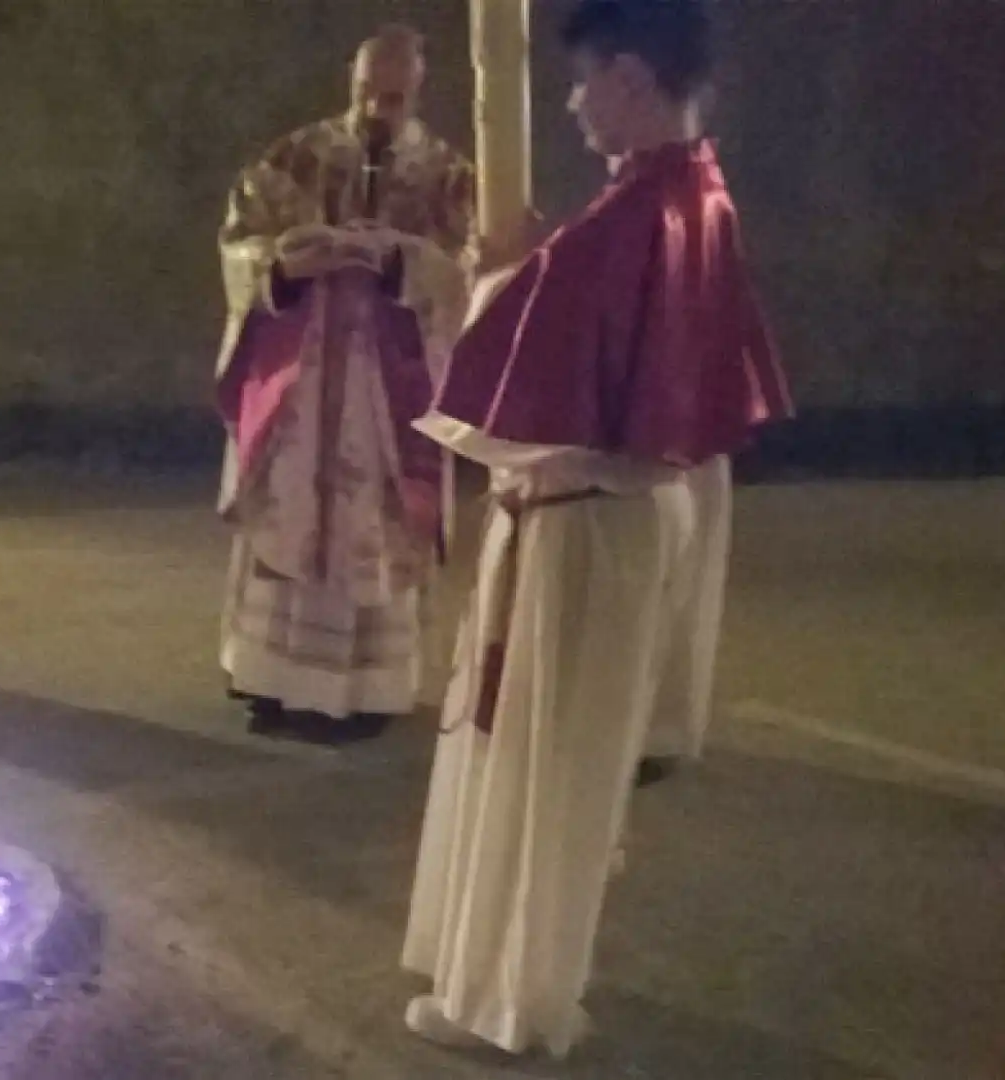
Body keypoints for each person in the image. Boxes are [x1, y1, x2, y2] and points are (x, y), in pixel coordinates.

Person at [400, 0, 791, 1056]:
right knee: (558, 769)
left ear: (627, 76)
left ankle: (514, 1008)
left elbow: (516, 386)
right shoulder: (697, 191)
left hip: (581, 526)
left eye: (579, 83)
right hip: (621, 520)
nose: (570, 105)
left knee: (545, 774)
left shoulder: (629, 219)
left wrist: (482, 279)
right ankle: (497, 982)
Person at [214, 24, 476, 744]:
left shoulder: (447, 175)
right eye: (365, 93)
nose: (375, 111)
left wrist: (399, 263)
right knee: (288, 515)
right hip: (303, 375)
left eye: (392, 98)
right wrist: (284, 267)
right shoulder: (294, 158)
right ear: (350, 81)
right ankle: (269, 677)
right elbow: (240, 239)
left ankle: (364, 689)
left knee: (373, 523)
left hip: (387, 389)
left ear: (416, 90)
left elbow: (469, 268)